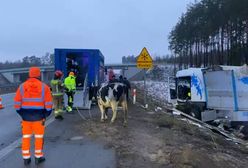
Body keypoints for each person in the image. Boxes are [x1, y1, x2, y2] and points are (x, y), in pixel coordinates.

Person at [14, 67, 52, 165]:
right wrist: (46, 114)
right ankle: (38, 157)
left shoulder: (22, 86)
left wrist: (22, 114)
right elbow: (48, 104)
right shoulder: (44, 87)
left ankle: (26, 159)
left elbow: (17, 103)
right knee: (39, 137)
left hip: (25, 118)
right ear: (39, 75)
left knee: (26, 137)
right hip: (39, 117)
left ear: (29, 74)